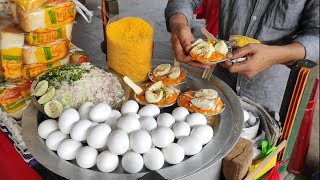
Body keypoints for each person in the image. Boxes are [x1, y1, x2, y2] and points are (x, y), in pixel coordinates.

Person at [165, 0, 319, 114]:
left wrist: (276, 55)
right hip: (219, 80)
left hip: (269, 94)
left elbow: (316, 34)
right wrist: (179, 22)